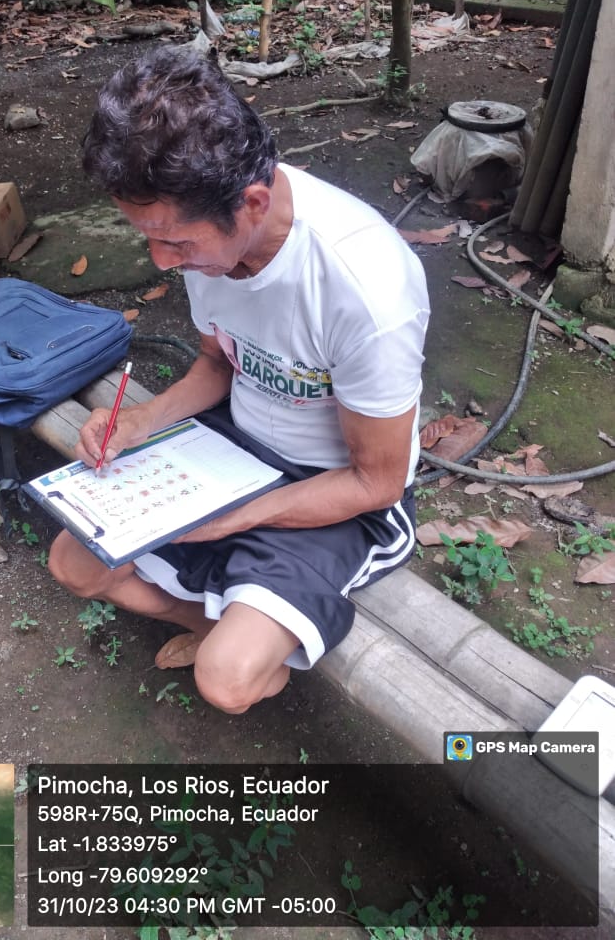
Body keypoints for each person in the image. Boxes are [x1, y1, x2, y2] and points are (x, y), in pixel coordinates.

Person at [48, 45, 430, 714]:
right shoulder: (209, 241)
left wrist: (233, 519)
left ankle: (242, 631)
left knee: (226, 683)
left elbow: (376, 483)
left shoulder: (366, 290)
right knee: (73, 565)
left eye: (177, 243)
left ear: (253, 202)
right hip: (234, 446)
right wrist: (140, 420)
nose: (162, 261)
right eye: (148, 237)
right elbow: (219, 363)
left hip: (334, 486)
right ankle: (215, 622)